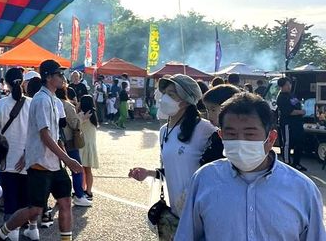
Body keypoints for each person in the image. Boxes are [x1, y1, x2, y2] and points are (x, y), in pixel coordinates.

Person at [175, 93, 326, 241]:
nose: (240, 141)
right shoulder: (204, 180)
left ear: (271, 138)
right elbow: (187, 235)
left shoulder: (303, 189)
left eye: (250, 134)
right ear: (221, 136)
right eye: (231, 134)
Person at [0, 60, 83, 241]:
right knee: (35, 209)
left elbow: (55, 135)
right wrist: (68, 159)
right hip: (40, 164)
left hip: (54, 164)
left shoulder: (53, 100)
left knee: (65, 202)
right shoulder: (41, 100)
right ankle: (2, 232)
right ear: (48, 77)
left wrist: (64, 159)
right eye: (59, 74)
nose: (62, 77)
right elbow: (45, 136)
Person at [128, 74, 217, 217]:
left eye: (171, 94)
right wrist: (149, 173)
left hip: (201, 212)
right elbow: (170, 170)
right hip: (176, 211)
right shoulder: (164, 130)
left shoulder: (205, 129)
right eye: (164, 93)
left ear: (185, 101)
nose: (164, 98)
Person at [0, 68, 32, 241]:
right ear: (22, 82)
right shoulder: (32, 103)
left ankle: (11, 234)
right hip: (27, 160)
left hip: (7, 160)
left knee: (10, 199)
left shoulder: (1, 104)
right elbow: (39, 133)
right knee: (25, 199)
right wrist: (27, 153)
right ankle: (28, 229)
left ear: (6, 83)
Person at [58, 86, 91, 207]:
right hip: (69, 141)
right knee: (77, 168)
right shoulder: (67, 105)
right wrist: (81, 118)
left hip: (54, 141)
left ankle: (59, 197)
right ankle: (79, 195)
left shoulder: (50, 102)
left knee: (58, 171)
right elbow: (75, 124)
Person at [199, 84, 240, 166]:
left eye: (213, 110)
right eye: (208, 110)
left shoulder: (236, 138)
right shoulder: (215, 135)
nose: (209, 115)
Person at [276, 77, 307, 171]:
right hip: (287, 124)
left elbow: (297, 104)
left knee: (299, 143)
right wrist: (301, 112)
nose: (289, 86)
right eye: (287, 85)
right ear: (281, 86)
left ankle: (296, 163)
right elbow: (288, 111)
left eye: (290, 84)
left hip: (297, 123)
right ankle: (287, 164)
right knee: (287, 144)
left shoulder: (292, 95)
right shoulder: (281, 97)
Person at [77, 95, 98, 200]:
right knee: (88, 170)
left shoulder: (83, 115)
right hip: (90, 145)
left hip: (83, 145)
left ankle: (82, 189)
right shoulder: (93, 114)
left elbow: (76, 125)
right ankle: (88, 191)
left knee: (81, 170)